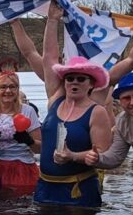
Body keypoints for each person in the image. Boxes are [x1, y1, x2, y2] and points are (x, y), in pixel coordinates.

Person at [35, 57, 113, 207]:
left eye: (81, 79)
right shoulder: (54, 102)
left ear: (91, 84)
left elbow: (103, 152)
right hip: (45, 187)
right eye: (70, 78)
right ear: (64, 83)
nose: (74, 82)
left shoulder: (97, 112)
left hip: (78, 189)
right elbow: (45, 56)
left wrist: (73, 156)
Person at [0, 70, 41, 192]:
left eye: (12, 87)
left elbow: (40, 149)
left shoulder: (28, 111)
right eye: (3, 87)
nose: (8, 91)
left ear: (17, 89)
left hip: (23, 166)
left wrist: (29, 141)